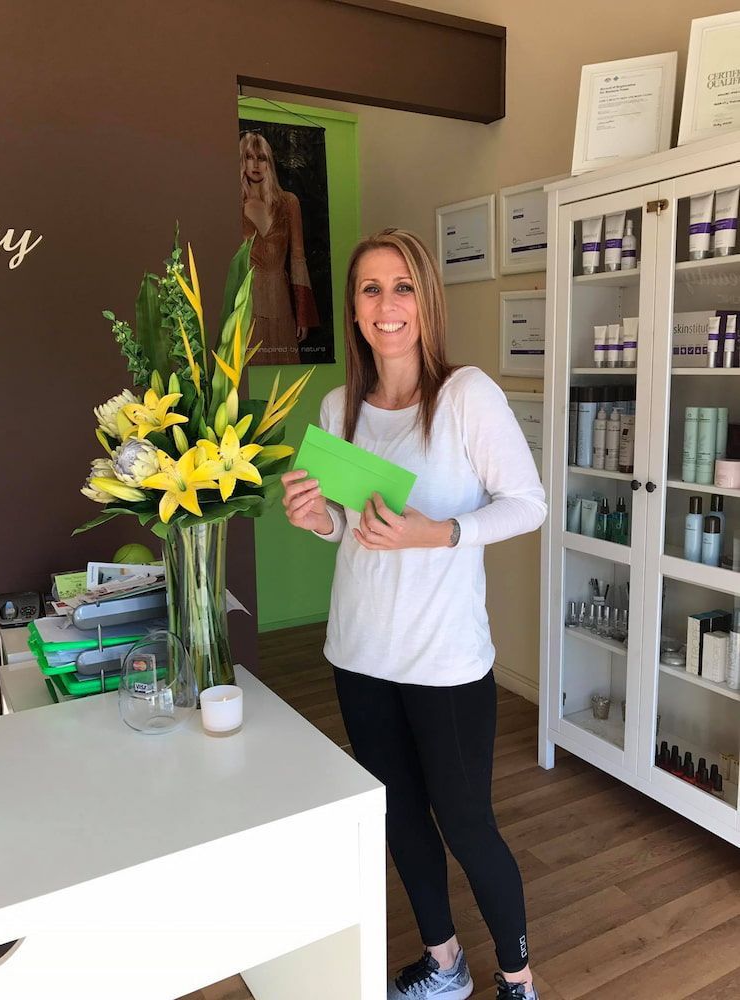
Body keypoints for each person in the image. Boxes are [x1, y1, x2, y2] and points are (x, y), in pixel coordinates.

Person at [280, 229, 546, 1000]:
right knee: (398, 817)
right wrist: (315, 519)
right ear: (354, 309)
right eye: (369, 289)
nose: (386, 304)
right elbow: (346, 527)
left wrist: (442, 532)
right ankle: (445, 963)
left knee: (467, 826)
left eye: (401, 287)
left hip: (445, 660)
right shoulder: (339, 406)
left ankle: (518, 979)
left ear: (425, 300)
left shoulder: (467, 395)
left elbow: (528, 505)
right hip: (360, 652)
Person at [239, 130, 319, 366]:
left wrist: (302, 314)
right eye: (249, 157)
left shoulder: (288, 202)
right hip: (247, 305)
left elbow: (298, 259)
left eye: (261, 158)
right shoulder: (233, 204)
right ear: (241, 161)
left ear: (269, 162)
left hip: (282, 303)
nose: (255, 164)